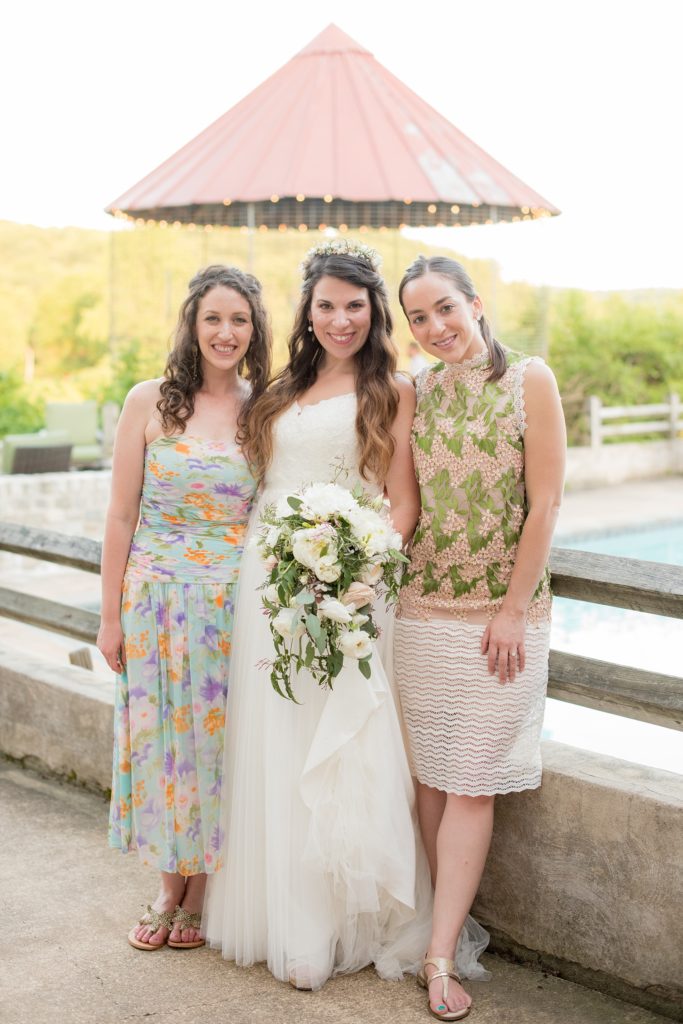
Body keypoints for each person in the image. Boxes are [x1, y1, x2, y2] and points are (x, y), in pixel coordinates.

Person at [203, 239, 488, 990]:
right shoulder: (277, 388)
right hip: (267, 585)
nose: (339, 319)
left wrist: (355, 571)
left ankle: (336, 921)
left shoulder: (392, 389)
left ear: (374, 311)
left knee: (336, 747)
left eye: (354, 306)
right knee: (274, 743)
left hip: (347, 589)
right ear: (307, 310)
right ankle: (284, 917)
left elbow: (401, 505)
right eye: (325, 305)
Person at [395, 255, 566, 1020]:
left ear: (475, 303)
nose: (436, 329)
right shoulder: (413, 392)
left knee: (469, 781)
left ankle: (437, 960)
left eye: (444, 309)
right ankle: (445, 933)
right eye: (418, 320)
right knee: (430, 782)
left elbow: (545, 502)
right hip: (421, 615)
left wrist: (510, 608)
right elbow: (402, 501)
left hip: (502, 625)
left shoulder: (530, 378)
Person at [98, 264, 271, 951]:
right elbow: (119, 515)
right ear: (191, 325)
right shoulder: (150, 401)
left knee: (213, 749)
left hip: (232, 604)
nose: (225, 333)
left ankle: (199, 891)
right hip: (152, 600)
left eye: (239, 320)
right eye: (213, 319)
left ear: (254, 331)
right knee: (158, 745)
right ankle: (168, 883)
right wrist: (109, 615)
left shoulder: (265, 408)